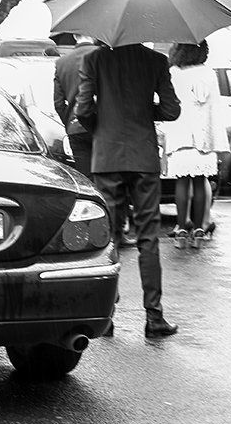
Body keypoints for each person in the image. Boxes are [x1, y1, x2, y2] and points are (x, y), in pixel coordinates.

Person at [75, 41, 181, 338]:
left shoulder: (94, 60)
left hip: (107, 155)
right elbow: (172, 110)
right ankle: (154, 316)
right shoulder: (156, 61)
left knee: (109, 237)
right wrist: (146, 110)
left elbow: (83, 108)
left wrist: (103, 123)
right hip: (143, 156)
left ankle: (107, 316)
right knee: (148, 234)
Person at [161, 41, 228, 249]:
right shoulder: (208, 74)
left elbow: (167, 103)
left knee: (181, 183)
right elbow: (215, 109)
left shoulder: (173, 73)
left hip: (180, 134)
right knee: (200, 182)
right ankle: (199, 230)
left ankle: (181, 229)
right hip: (203, 136)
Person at [53, 35, 100, 177]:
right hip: (104, 125)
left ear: (74, 35)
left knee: (86, 179)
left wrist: (69, 123)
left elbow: (58, 103)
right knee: (107, 179)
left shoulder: (62, 62)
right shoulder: (104, 56)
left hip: (76, 127)